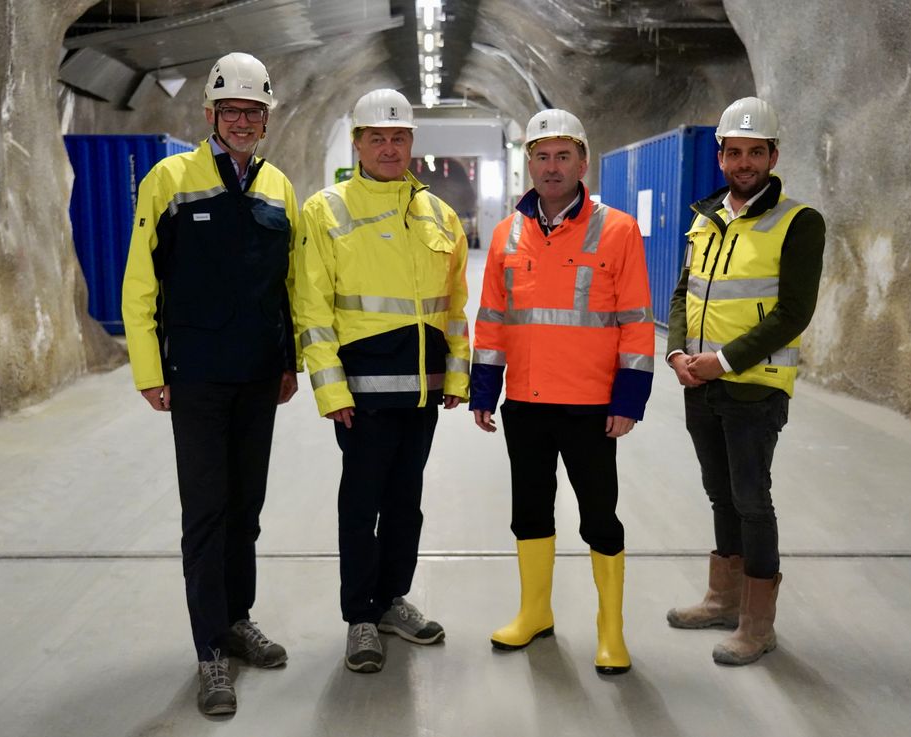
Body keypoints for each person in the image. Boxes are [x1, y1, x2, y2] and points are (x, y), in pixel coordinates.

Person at [122, 52, 301, 715]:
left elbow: (288, 286)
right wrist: (149, 369)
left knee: (245, 512)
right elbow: (140, 281)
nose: (243, 121)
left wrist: (289, 362)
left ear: (266, 118)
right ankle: (209, 653)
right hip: (194, 377)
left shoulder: (280, 187)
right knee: (205, 514)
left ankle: (236, 617)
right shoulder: (169, 180)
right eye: (232, 110)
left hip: (258, 377)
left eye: (254, 111)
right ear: (211, 114)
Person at [470, 109, 655, 675]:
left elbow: (636, 322)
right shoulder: (507, 234)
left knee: (600, 516)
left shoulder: (617, 229)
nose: (551, 167)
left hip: (591, 405)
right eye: (541, 156)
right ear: (529, 163)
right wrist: (484, 387)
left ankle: (610, 631)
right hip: (525, 402)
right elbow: (493, 318)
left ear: (582, 162)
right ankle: (535, 613)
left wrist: (628, 400)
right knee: (529, 511)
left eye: (562, 156)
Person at [293, 89, 471, 673]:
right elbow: (312, 308)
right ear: (358, 144)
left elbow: (454, 307)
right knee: (362, 500)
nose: (389, 148)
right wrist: (330, 389)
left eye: (398, 138)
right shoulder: (326, 210)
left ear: (412, 144)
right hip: (362, 395)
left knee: (406, 501)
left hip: (422, 389)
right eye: (377, 138)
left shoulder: (439, 214)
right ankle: (359, 618)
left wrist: (456, 376)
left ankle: (393, 600)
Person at [665, 96, 826, 665]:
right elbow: (685, 292)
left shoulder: (799, 222)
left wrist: (723, 361)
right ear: (721, 155)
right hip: (700, 381)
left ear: (773, 154)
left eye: (756, 152)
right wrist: (679, 351)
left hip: (755, 386)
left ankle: (758, 625)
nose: (744, 162)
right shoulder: (707, 217)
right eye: (734, 152)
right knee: (719, 493)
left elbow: (793, 313)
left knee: (751, 499)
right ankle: (723, 598)